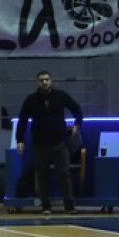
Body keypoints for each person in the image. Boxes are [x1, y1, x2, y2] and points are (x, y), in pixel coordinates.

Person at [15, 72, 85, 214]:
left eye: (47, 80)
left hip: (60, 142)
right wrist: (20, 140)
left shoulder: (61, 96)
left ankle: (69, 206)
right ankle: (46, 206)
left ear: (51, 81)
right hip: (40, 143)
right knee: (42, 175)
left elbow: (77, 109)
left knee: (64, 174)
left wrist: (77, 125)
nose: (44, 82)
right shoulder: (31, 99)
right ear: (37, 82)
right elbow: (22, 120)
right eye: (41, 80)